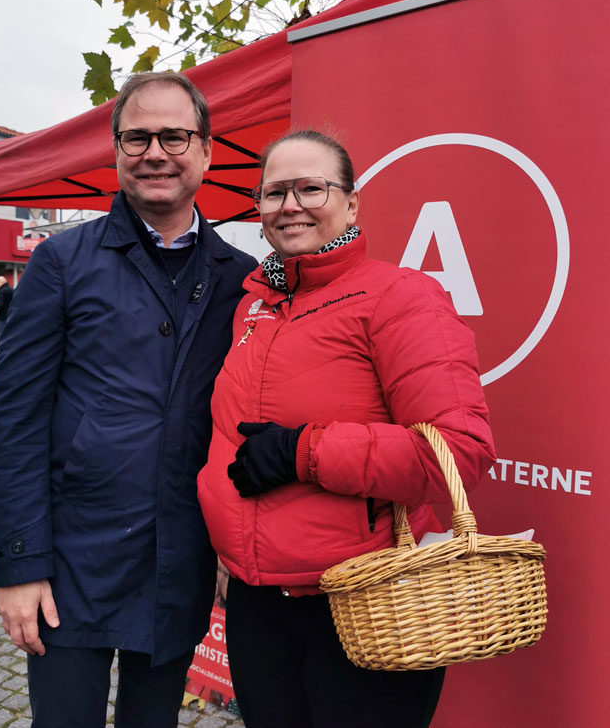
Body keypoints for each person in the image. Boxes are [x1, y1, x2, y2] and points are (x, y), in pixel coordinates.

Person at [197, 130, 497, 728]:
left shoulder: (402, 296)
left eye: (312, 188)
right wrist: (229, 557)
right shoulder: (253, 306)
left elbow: (459, 454)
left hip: (363, 601)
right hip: (259, 608)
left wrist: (305, 450)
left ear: (352, 203)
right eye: (274, 192)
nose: (291, 205)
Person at [0, 72, 257, 728]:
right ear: (115, 150)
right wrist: (19, 566)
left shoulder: (239, 281)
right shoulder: (61, 262)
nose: (155, 152)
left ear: (206, 151)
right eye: (137, 137)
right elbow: (14, 420)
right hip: (73, 560)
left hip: (178, 560)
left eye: (174, 136)